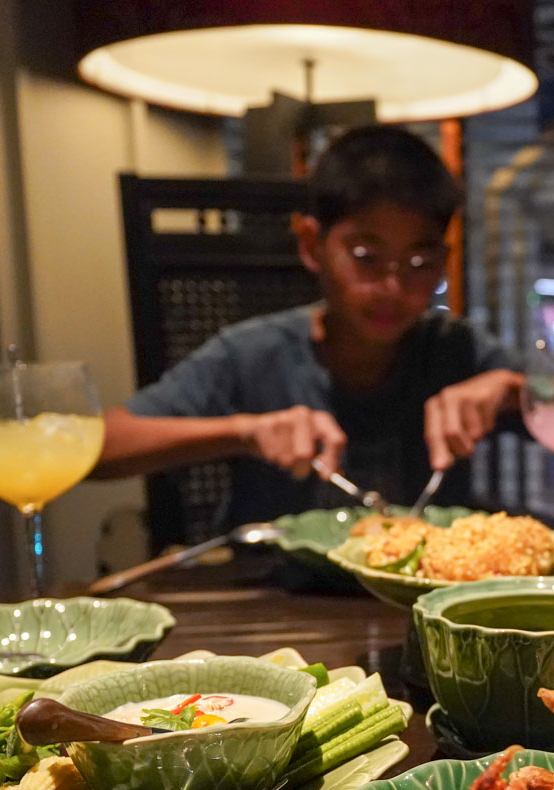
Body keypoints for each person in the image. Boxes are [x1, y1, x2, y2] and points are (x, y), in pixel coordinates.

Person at [91, 126, 524, 527]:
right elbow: (99, 446)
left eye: (419, 263)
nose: (393, 287)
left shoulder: (457, 349)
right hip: (273, 591)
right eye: (366, 257)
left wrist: (510, 388)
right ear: (312, 245)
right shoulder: (253, 354)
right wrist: (243, 432)